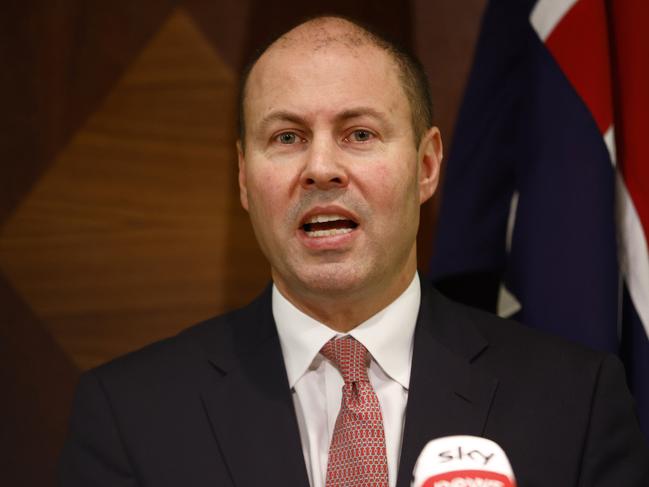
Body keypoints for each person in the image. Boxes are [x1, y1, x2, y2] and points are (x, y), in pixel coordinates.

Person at [59, 16, 649, 487]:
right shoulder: (129, 416)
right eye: (286, 137)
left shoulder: (576, 400)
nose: (320, 169)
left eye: (358, 134)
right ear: (243, 177)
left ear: (426, 165)